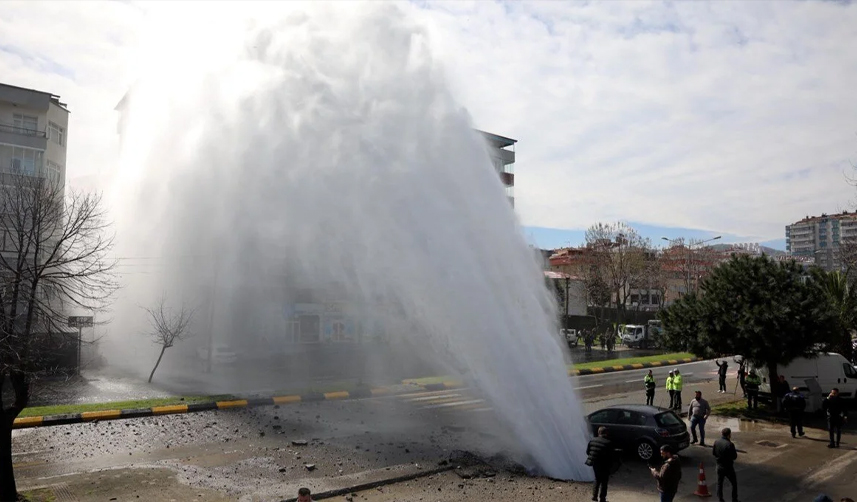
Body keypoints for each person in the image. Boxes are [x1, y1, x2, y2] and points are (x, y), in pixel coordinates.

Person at [586, 426, 614, 502]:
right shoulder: (608, 442)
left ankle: (594, 496)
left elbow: (588, 452)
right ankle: (602, 498)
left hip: (595, 463)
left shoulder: (592, 440)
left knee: (597, 479)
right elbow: (611, 455)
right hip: (604, 464)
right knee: (604, 481)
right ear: (606, 433)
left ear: (599, 432)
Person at [712, 427, 739, 502]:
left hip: (719, 466)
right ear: (729, 435)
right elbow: (734, 457)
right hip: (728, 468)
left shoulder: (716, 442)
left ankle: (720, 499)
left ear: (722, 433)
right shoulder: (730, 444)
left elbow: (714, 453)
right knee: (734, 483)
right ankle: (734, 499)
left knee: (719, 483)